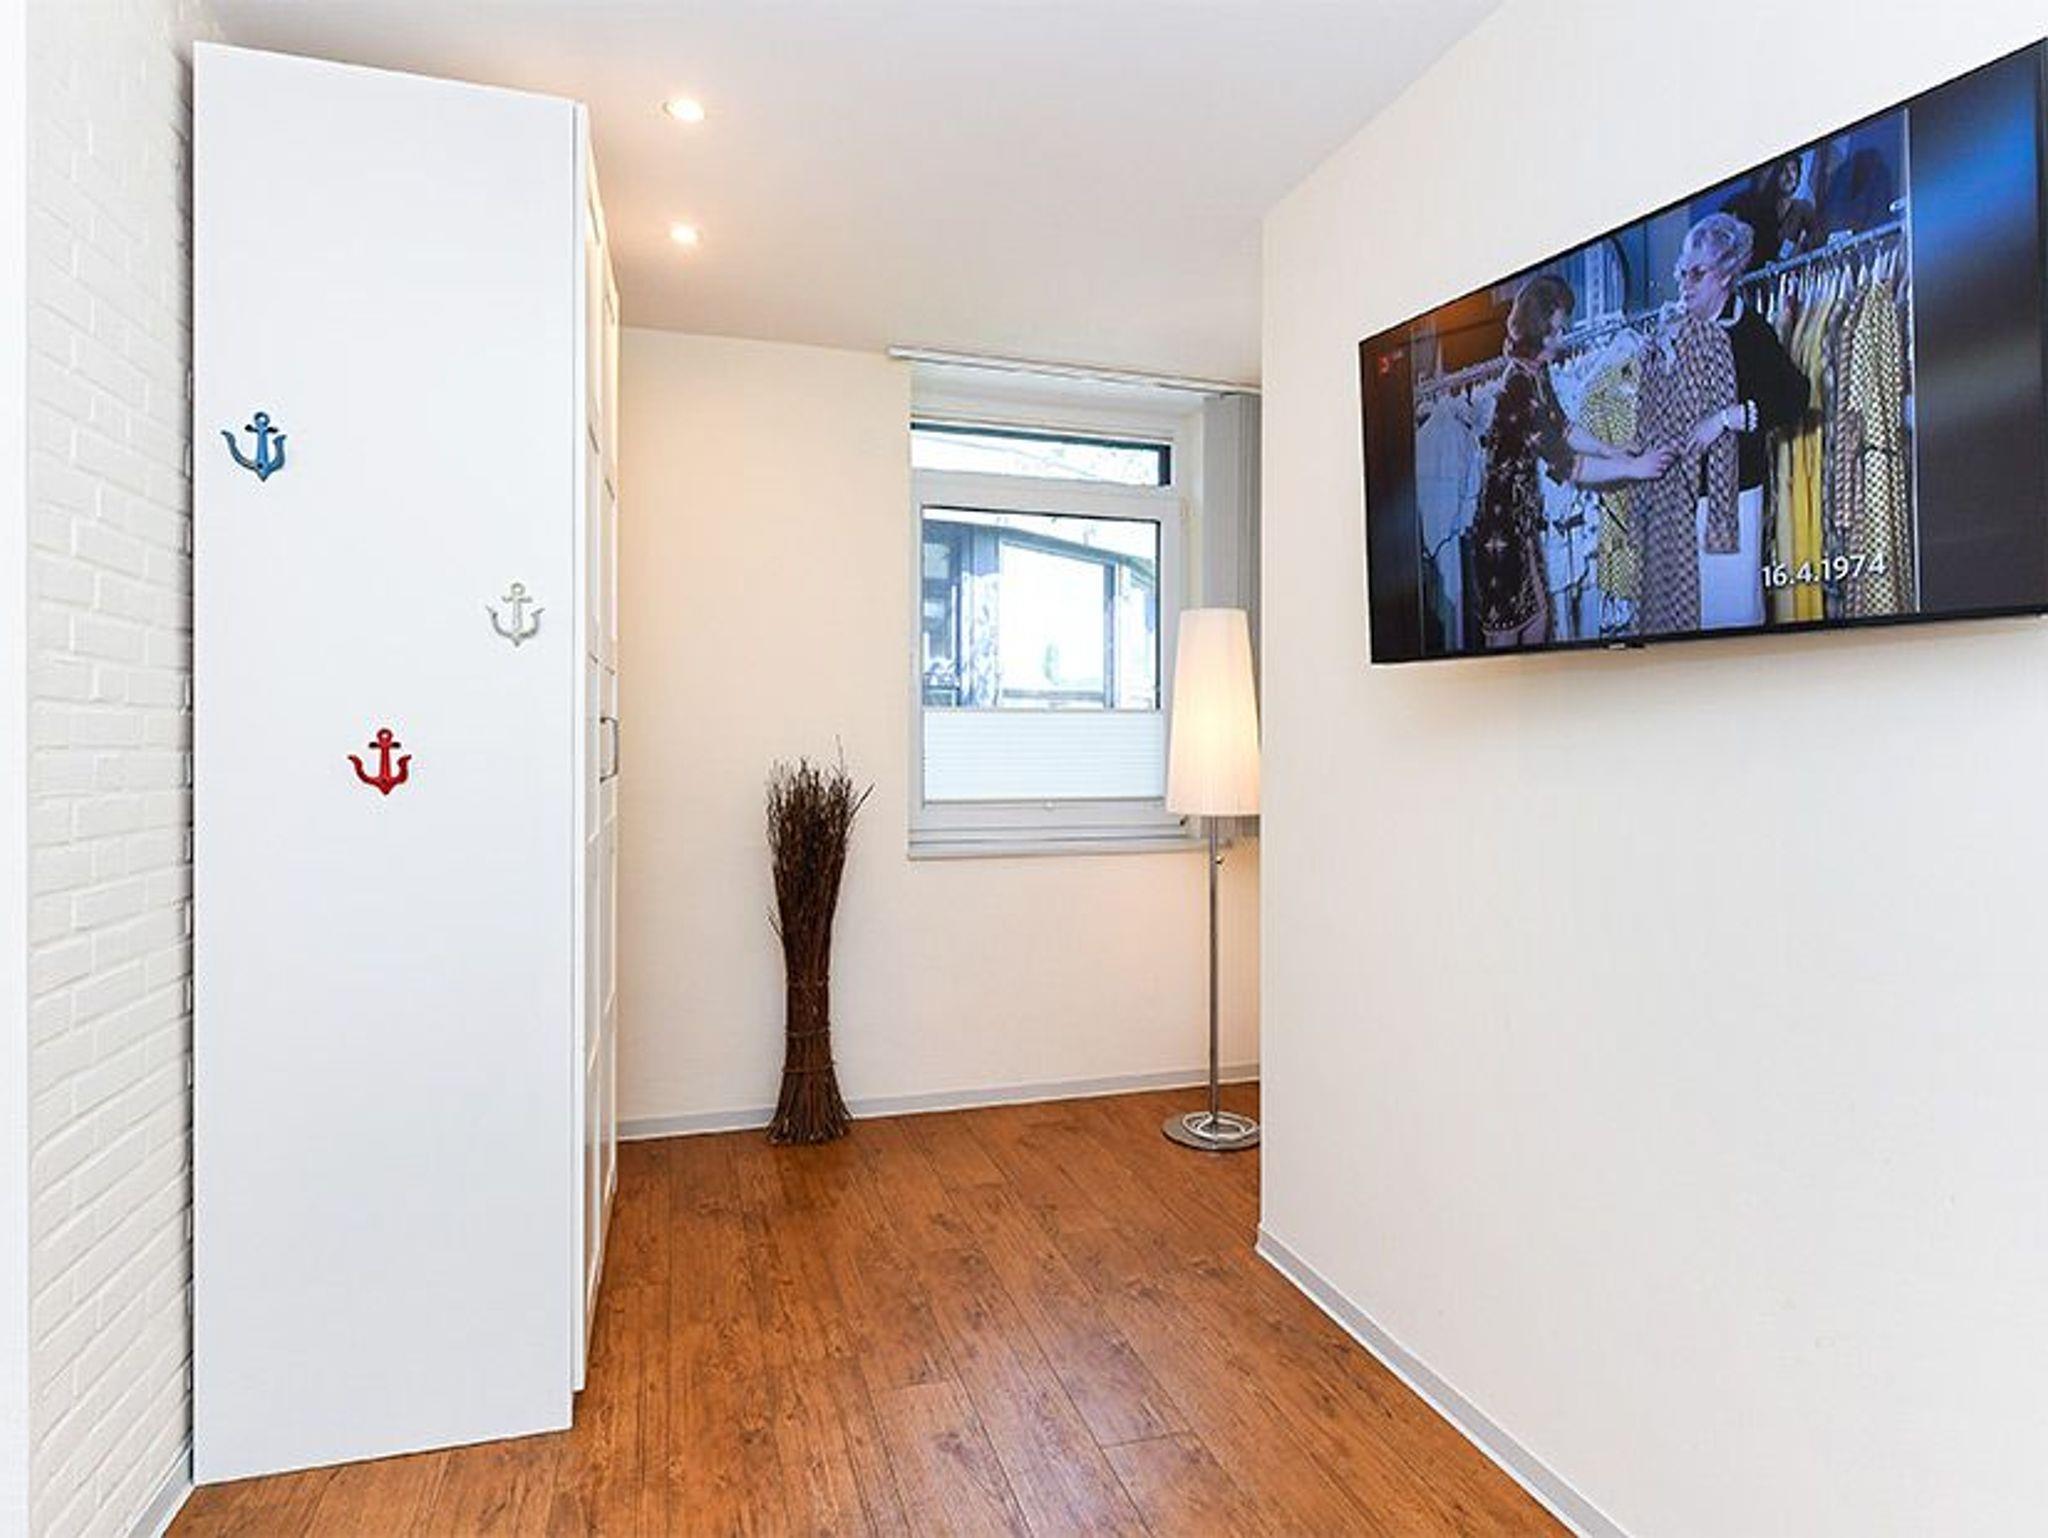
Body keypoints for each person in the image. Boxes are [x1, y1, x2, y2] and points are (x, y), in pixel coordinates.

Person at [1471, 276, 1674, 648]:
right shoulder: (1518, 388)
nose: (1563, 339)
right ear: (1538, 332)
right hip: (1499, 533)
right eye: (1557, 331)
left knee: (1538, 622)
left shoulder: (1535, 371)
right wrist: (1633, 468)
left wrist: (1611, 450)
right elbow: (1569, 467)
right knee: (1508, 636)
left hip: (1519, 523)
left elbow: (1563, 427)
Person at [1671, 213, 1809, 628]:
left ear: (1726, 275)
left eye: (1697, 273)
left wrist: (1727, 418)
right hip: (1684, 499)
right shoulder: (1679, 331)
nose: (1685, 284)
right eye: (1682, 273)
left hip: (1733, 497)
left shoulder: (1750, 333)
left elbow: (1795, 397)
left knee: (1731, 614)